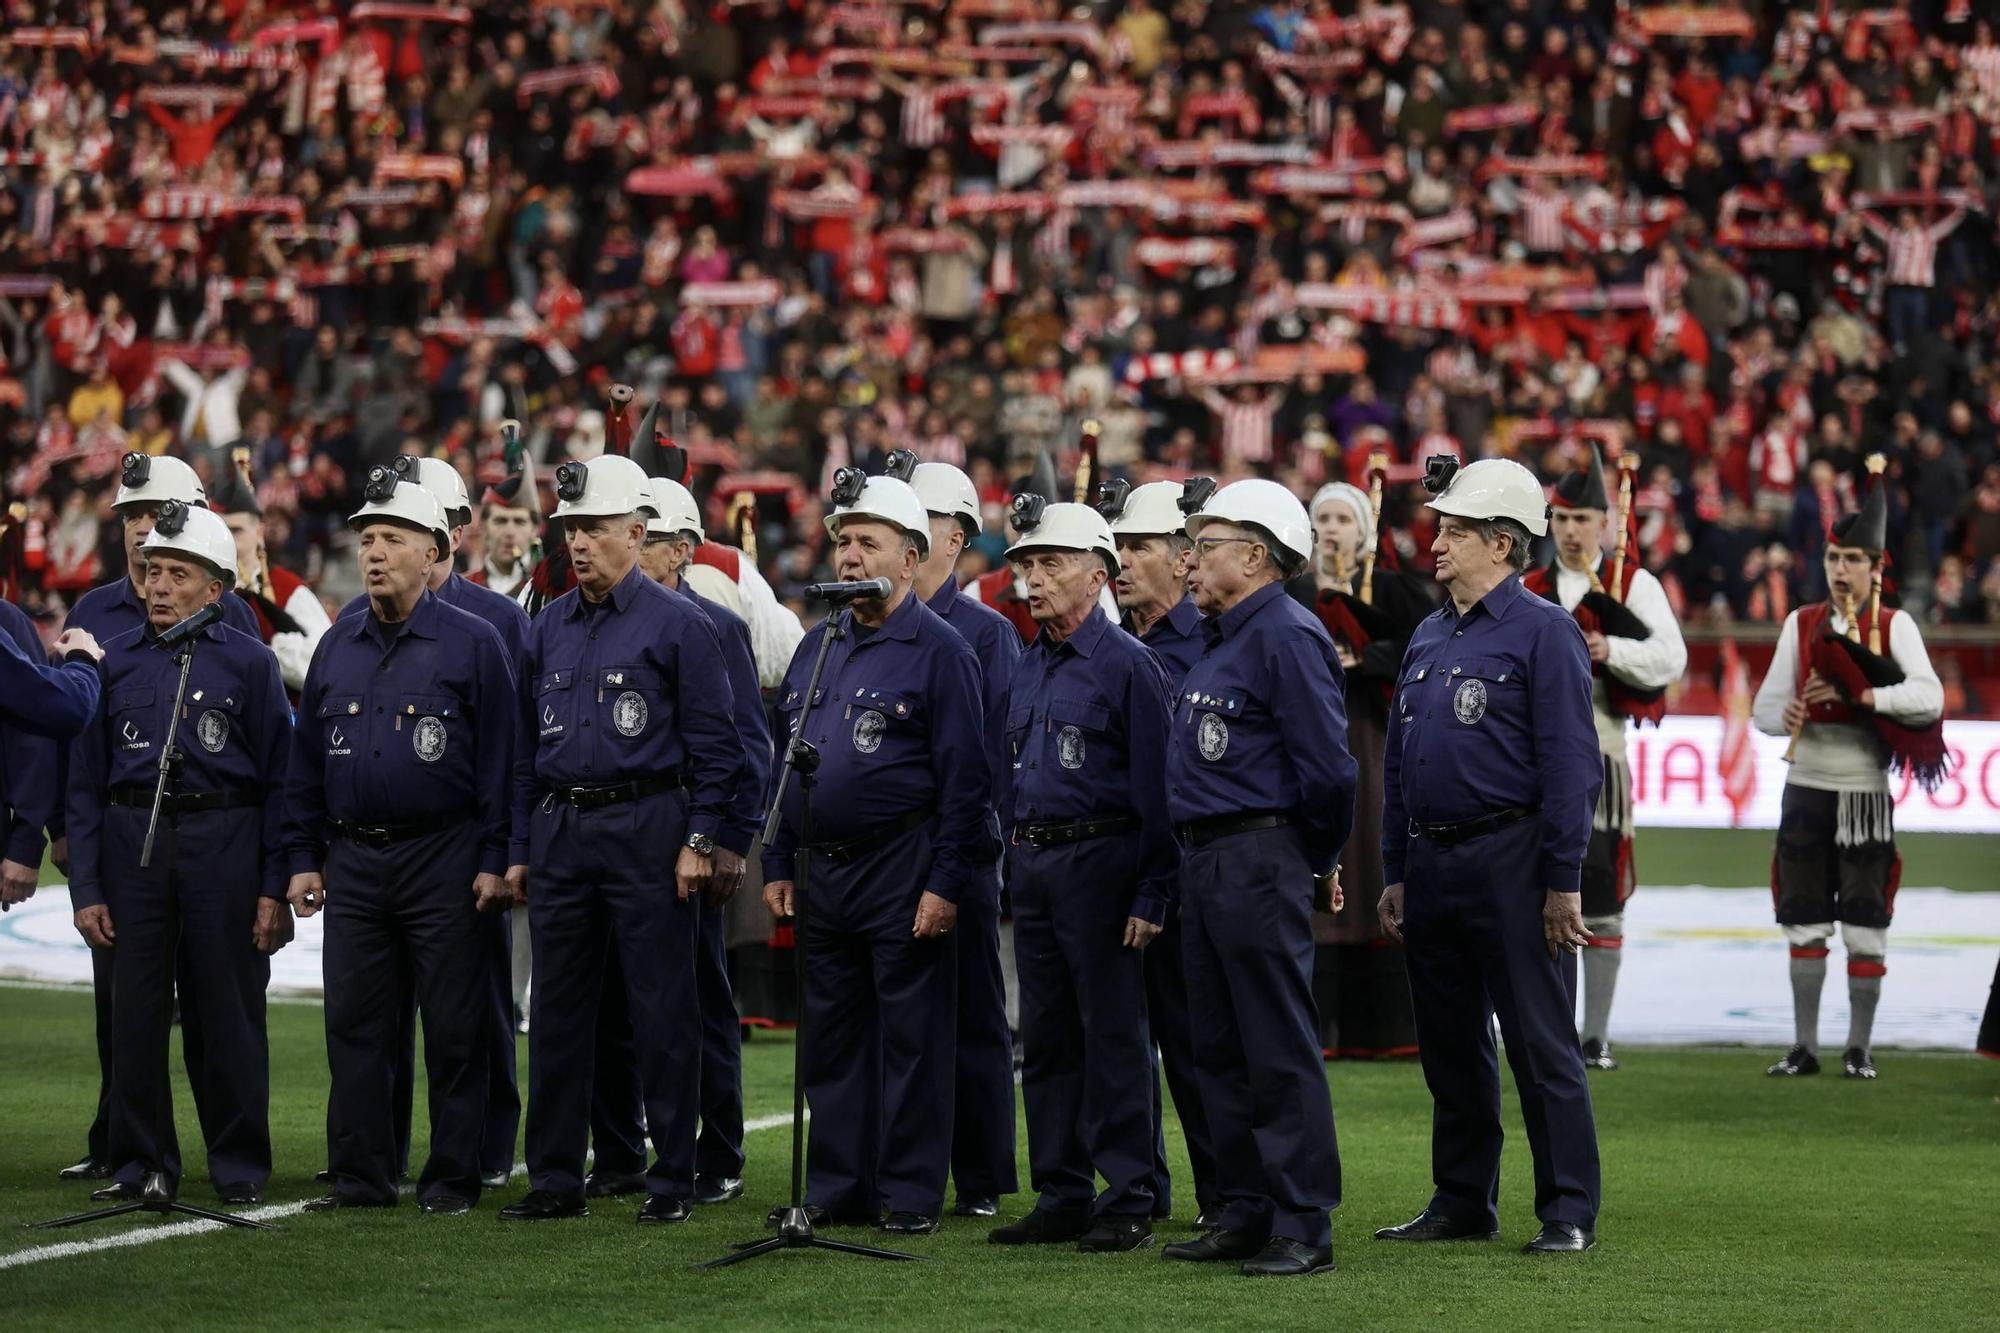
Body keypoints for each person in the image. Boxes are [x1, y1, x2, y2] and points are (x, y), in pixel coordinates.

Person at [502, 454, 747, 1224]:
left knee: (662, 1010)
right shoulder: (546, 626)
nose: (578, 543)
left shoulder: (682, 623)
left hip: (650, 826)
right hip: (563, 826)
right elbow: (520, 751)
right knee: (559, 1012)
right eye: (571, 529)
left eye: (595, 528)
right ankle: (553, 1179)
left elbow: (719, 746)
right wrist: (520, 845)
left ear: (637, 534)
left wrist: (701, 838)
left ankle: (672, 1176)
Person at [1376, 456, 1604, 1255]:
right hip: (1433, 864)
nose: (1435, 541)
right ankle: (1463, 1197)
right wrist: (1396, 868)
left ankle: (1569, 1207)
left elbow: (1574, 767)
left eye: (1455, 529)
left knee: (1542, 1042)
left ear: (1503, 542)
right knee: (1449, 1044)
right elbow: (1401, 761)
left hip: (1513, 858)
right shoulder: (1429, 631)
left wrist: (1562, 880)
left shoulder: (1548, 632)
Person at [284, 473, 521, 1215]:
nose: (374, 552)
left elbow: (506, 766)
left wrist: (494, 858)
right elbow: (305, 764)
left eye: (391, 539)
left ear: (434, 550)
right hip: (354, 859)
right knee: (354, 1024)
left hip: (445, 857)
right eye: (367, 538)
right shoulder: (336, 642)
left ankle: (452, 1178)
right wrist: (301, 855)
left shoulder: (478, 643)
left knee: (455, 1027)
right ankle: (362, 1175)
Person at [760, 469, 986, 1233]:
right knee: (833, 1036)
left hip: (903, 861)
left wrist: (946, 881)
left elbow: (966, 783)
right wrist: (778, 858)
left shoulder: (944, 651)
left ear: (912, 557)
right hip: (824, 868)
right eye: (843, 541)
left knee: (914, 1039)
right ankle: (836, 1184)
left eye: (868, 542)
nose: (850, 556)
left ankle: (910, 1191)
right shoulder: (817, 644)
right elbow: (787, 758)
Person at [1158, 479, 1356, 1279]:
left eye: (1205, 545)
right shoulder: (1222, 634)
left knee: (1274, 1042)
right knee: (1218, 1044)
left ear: (1256, 554)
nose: (1190, 559)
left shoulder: (1286, 633)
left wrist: (1308, 855)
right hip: (1206, 857)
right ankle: (1243, 1209)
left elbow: (1330, 773)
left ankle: (1302, 1218)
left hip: (1257, 851)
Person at [66, 501, 291, 1206]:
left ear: (216, 586)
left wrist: (273, 885)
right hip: (131, 841)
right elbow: (84, 778)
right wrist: (84, 887)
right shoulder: (113, 660)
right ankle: (138, 1162)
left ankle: (240, 1164)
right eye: (153, 571)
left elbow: (283, 780)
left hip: (224, 839)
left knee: (225, 1011)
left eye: (177, 573)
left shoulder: (254, 663)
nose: (158, 585)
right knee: (131, 1014)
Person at [987, 500, 1175, 1253]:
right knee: (1049, 1035)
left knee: (1115, 1035)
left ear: (1098, 576)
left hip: (1103, 863)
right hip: (1035, 864)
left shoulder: (1131, 665)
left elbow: (1159, 792)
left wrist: (1154, 887)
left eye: (1050, 564)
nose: (1033, 580)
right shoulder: (1027, 665)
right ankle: (1062, 1190)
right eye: (1027, 566)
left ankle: (1131, 1190)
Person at [585, 477, 768, 1207]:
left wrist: (729, 844)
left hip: (688, 843)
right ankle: (621, 1148)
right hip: (612, 843)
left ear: (681, 549)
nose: (633, 544)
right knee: (605, 1004)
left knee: (697, 1005)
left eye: (649, 535)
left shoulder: (713, 625)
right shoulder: (592, 621)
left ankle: (718, 1151)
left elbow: (749, 748)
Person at [1750, 471, 1944, 1080]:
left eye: (1853, 560)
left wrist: (1866, 698)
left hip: (1863, 790)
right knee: (1803, 919)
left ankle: (1859, 1048)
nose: (1840, 570)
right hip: (1805, 785)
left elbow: (1930, 699)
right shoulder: (1801, 624)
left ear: (1875, 567)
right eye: (1834, 557)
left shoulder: (1896, 626)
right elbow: (1761, 713)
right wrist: (1785, 717)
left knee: (1865, 924)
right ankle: (1805, 1046)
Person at [1523, 449, 1686, 1071]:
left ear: (1604, 523)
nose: (1570, 530)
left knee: (1601, 895)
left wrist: (1608, 646)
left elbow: (1671, 660)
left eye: (1582, 518)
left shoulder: (1631, 586)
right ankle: (1549, 1027)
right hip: (1531, 765)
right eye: (1561, 518)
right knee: (1536, 893)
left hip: (1600, 756)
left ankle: (1596, 1034)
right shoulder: (1529, 586)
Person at [1101, 478, 1216, 1228]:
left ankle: (1225, 1196)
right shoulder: (1122, 642)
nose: (1122, 560)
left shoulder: (1210, 639)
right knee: (1120, 1042)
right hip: (1121, 863)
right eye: (1119, 546)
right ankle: (1140, 1190)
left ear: (1182, 561)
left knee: (1199, 1044)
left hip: (1190, 868)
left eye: (1139, 546)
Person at [1288, 480, 1436, 1061]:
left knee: (1374, 850)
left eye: (1342, 519)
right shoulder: (1294, 594)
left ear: (1363, 530)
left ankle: (1385, 1028)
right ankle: (1319, 1027)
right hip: (1309, 743)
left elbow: (1423, 646)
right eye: (1321, 518)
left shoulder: (1396, 590)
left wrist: (1368, 658)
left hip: (1374, 740)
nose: (1330, 529)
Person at [909, 459, 1019, 1219]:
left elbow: (994, 759)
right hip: (885, 851)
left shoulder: (987, 633)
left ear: (955, 538)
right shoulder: (859, 625)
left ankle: (979, 1176)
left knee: (974, 1016)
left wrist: (980, 854)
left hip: (963, 848)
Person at [210, 449, 331, 693]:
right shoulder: (197, 588)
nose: (227, 540)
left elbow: (326, 665)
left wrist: (267, 650)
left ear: (259, 532)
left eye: (236, 530)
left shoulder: (288, 588)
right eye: (219, 530)